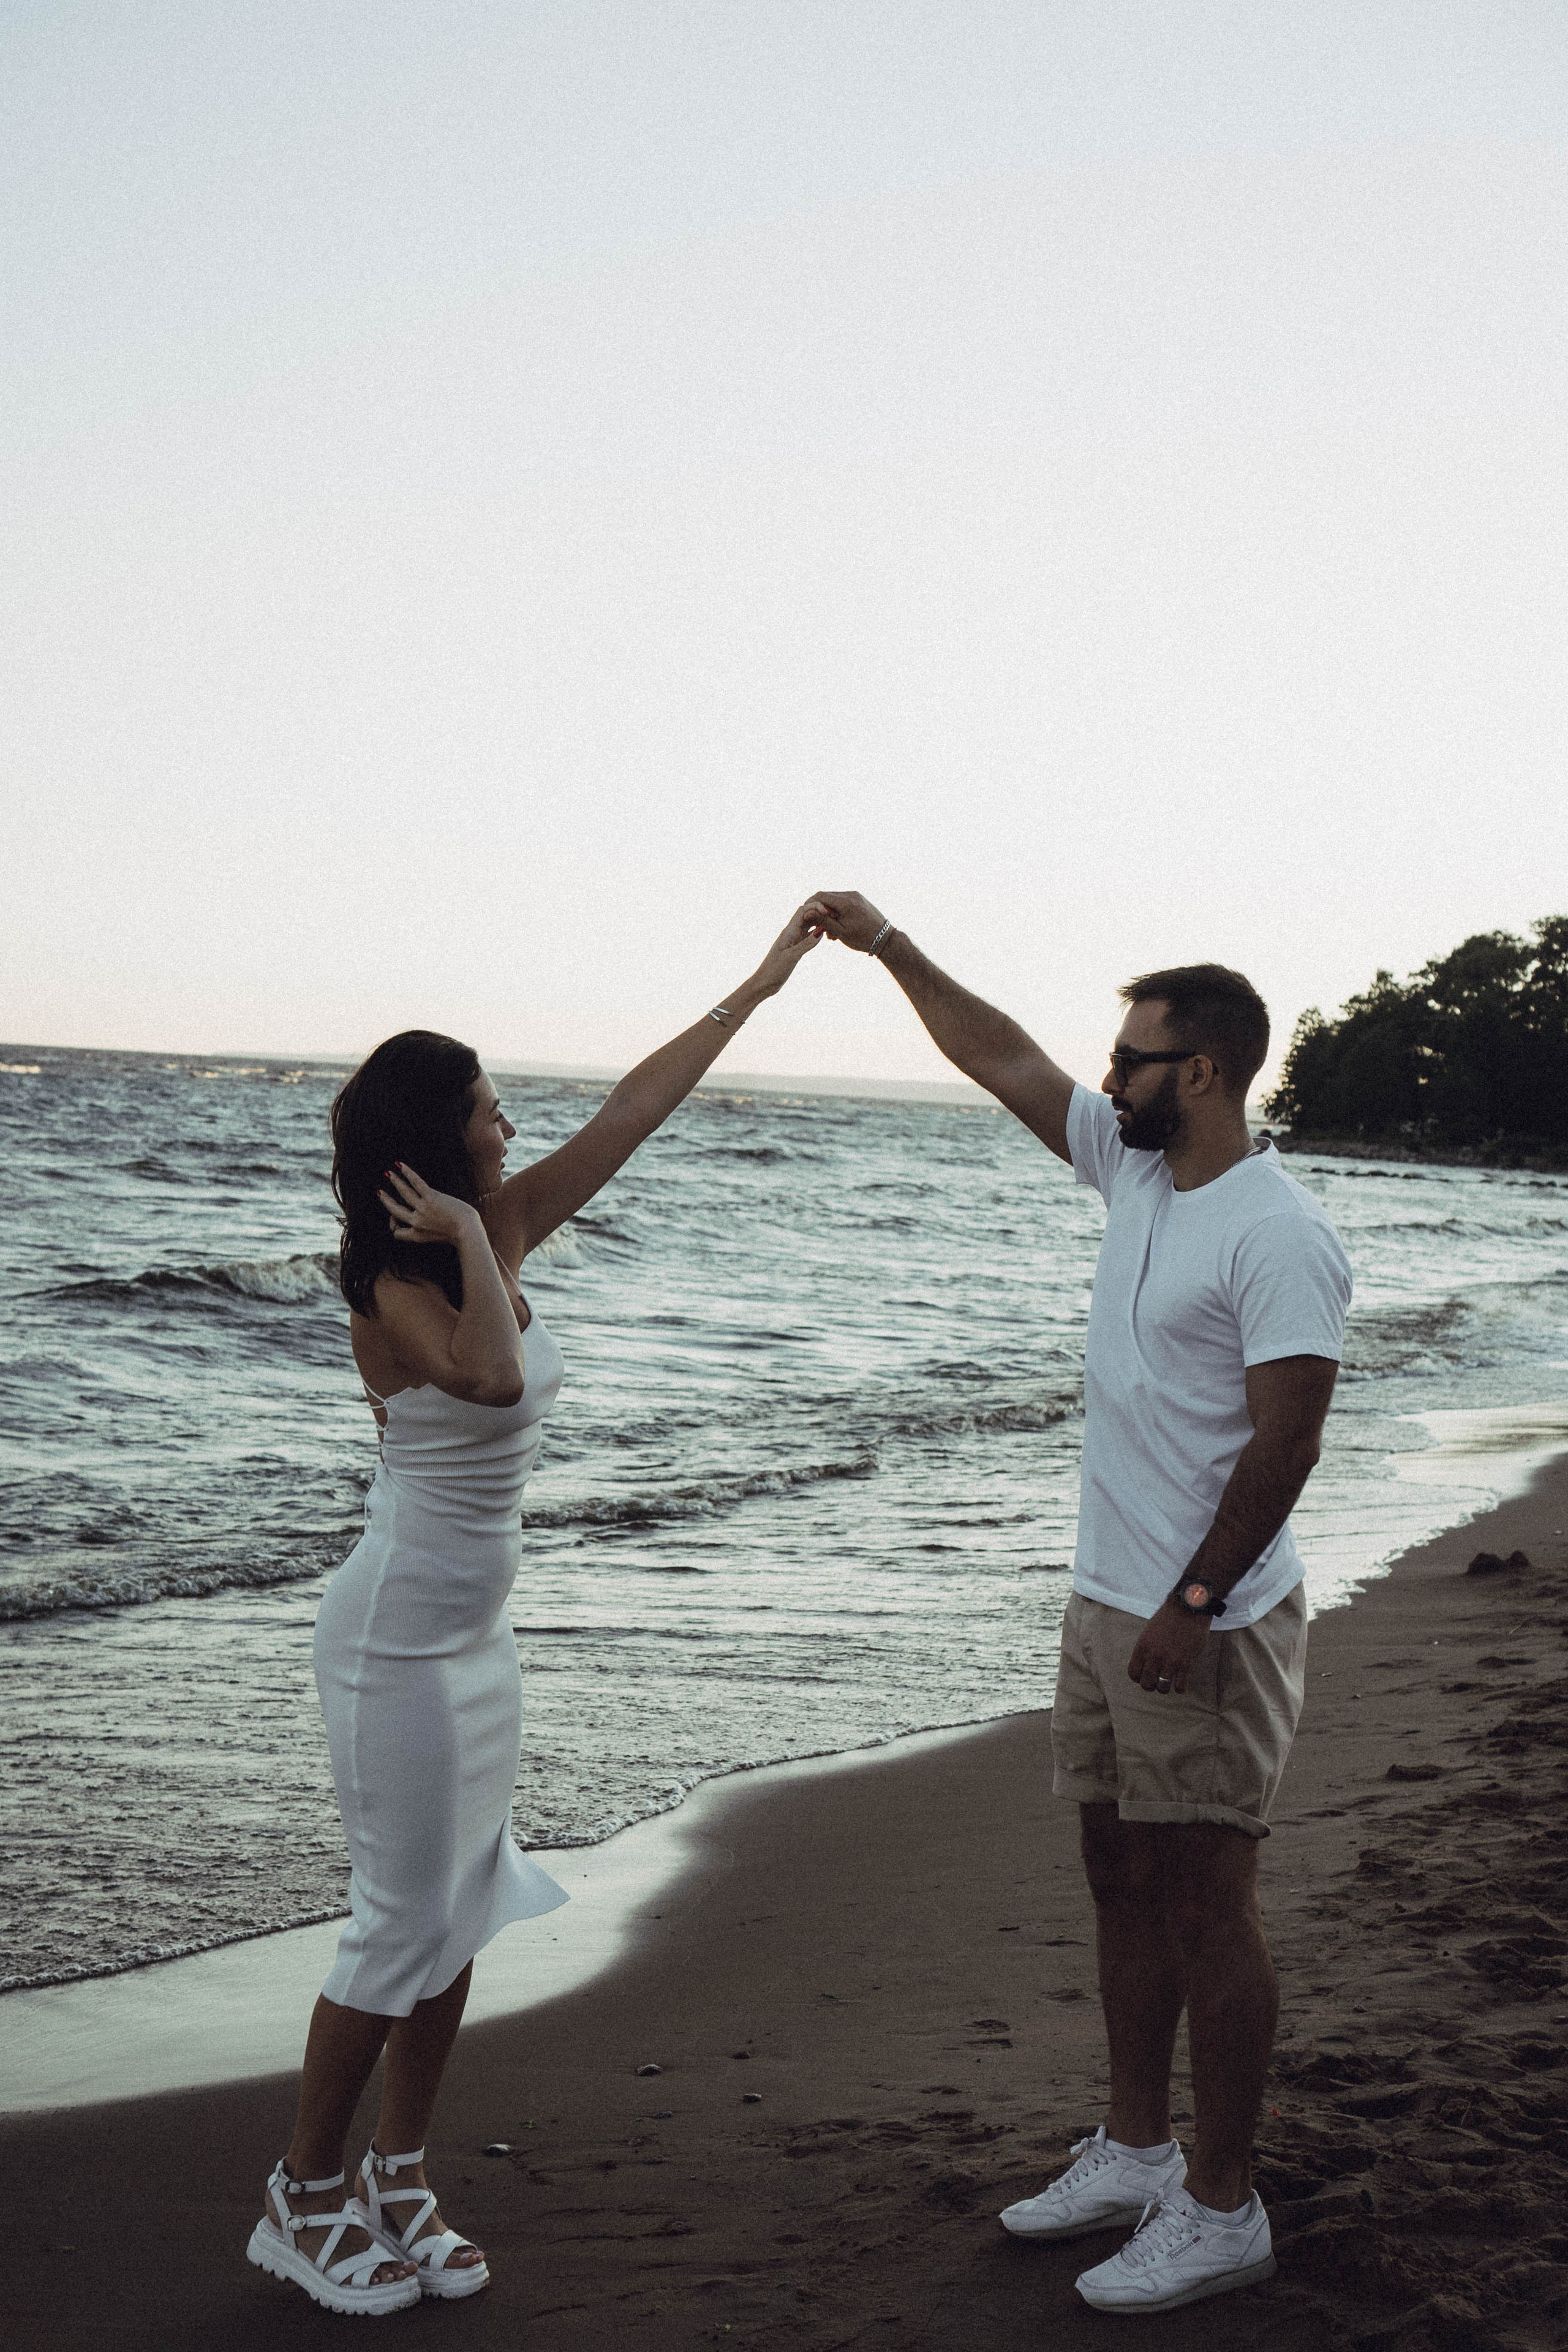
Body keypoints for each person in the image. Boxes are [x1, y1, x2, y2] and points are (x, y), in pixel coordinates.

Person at [247, 907, 822, 2316]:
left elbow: (635, 1110)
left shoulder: (495, 1224)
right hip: (392, 1641)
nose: (512, 1130)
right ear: (438, 1143)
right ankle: (300, 2200)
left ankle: (397, 2174)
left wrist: (757, 983)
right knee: (395, 1924)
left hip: (475, 1641)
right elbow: (490, 1384)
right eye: (491, 1115)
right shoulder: (389, 1280)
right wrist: (459, 1234)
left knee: (461, 1914)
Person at [802, 892, 1351, 2317]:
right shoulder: (1142, 1174)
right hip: (1106, 1600)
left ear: (1208, 1073)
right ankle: (1130, 2148)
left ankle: (1220, 2207)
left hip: (1204, 1620)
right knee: (1117, 1875)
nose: (1107, 1081)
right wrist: (889, 949)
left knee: (1207, 1895)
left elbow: (1286, 1441)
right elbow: (1004, 1060)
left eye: (1135, 1061)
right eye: (1115, 1062)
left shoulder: (1275, 1230)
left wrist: (1192, 1596)